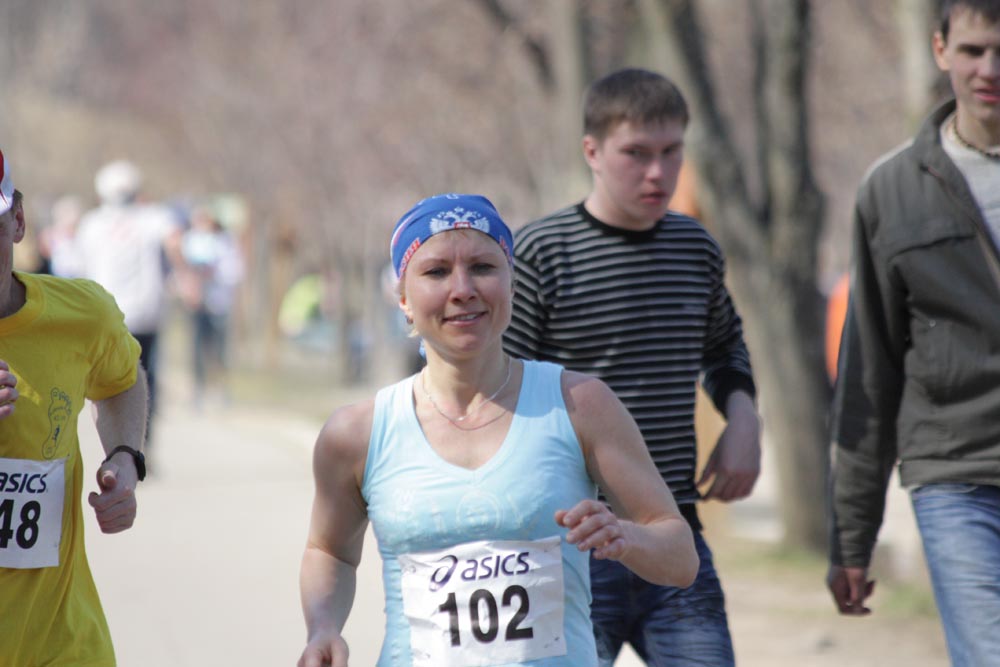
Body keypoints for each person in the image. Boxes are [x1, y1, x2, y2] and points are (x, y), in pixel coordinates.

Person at [298, 193, 699, 667]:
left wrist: (626, 537)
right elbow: (330, 551)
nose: (463, 289)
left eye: (483, 267)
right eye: (436, 272)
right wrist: (323, 627)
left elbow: (680, 557)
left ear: (512, 283)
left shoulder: (580, 404)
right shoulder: (356, 434)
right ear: (403, 298)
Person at [504, 68, 762, 667]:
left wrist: (745, 419)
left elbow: (724, 347)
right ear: (592, 152)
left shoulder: (695, 247)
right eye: (637, 153)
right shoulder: (540, 252)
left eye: (672, 152)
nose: (657, 172)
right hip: (569, 544)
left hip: (672, 537)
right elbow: (506, 391)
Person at [827, 2, 1000, 665]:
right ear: (940, 50)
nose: (989, 69)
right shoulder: (892, 190)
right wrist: (852, 534)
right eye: (974, 50)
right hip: (955, 470)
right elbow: (869, 370)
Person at [0, 148, 148, 665]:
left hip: (62, 646)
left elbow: (122, 380)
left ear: (18, 222)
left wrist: (125, 457)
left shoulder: (82, 316)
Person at [75, 159, 182, 458]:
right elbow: (174, 241)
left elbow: (80, 267)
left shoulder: (92, 223)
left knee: (105, 385)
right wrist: (183, 276)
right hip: (145, 314)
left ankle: (117, 447)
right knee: (144, 379)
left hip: (105, 315)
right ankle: (142, 444)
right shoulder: (153, 218)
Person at [176, 204, 244, 407]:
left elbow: (235, 271)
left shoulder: (225, 242)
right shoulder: (189, 240)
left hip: (218, 303)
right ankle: (198, 390)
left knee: (220, 349)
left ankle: (222, 388)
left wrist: (214, 272)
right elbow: (181, 271)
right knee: (197, 348)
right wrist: (189, 287)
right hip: (197, 304)